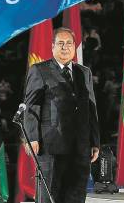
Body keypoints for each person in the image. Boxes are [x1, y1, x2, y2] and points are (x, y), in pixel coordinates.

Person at [24, 27, 100, 203]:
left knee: (76, 196)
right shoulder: (39, 70)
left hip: (80, 147)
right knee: (51, 196)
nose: (65, 47)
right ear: (52, 47)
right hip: (51, 147)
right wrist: (33, 137)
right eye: (60, 43)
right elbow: (31, 106)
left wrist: (94, 141)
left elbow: (91, 108)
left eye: (69, 43)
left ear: (74, 47)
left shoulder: (84, 72)